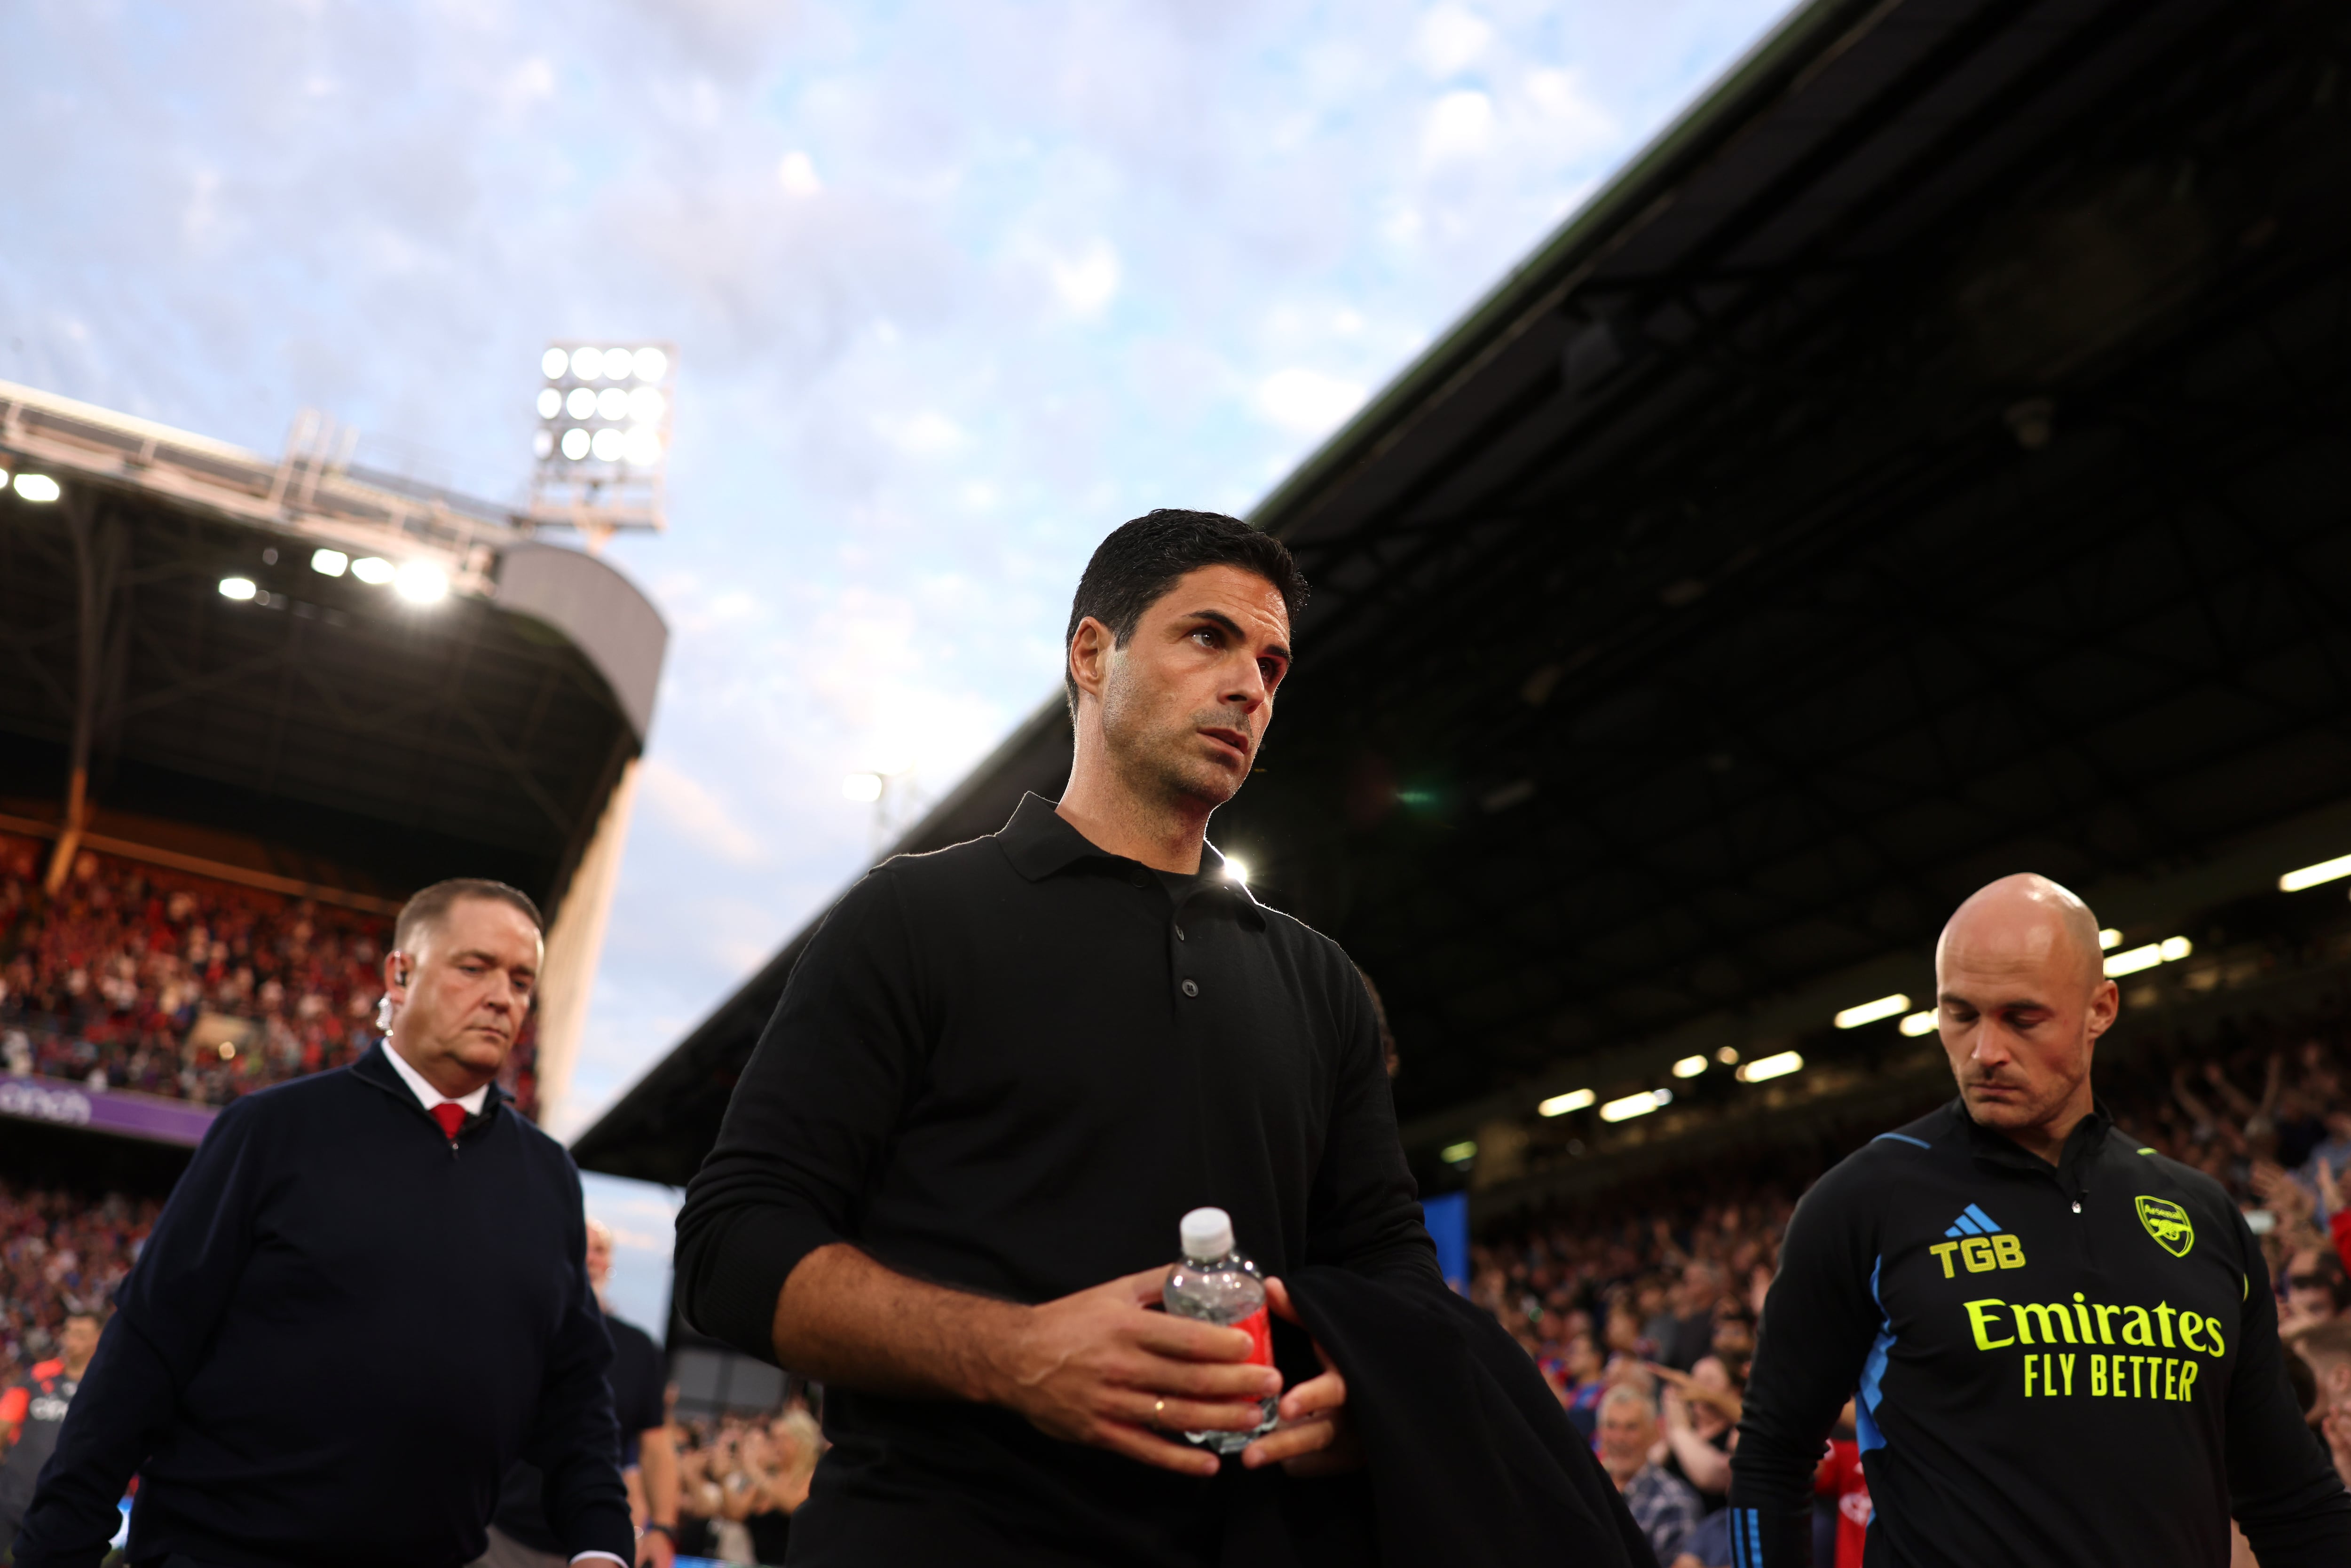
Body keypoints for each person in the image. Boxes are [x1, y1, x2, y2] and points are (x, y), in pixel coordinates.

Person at [671, 512, 1454, 1563]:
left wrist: (1369, 1400)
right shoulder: (914, 916)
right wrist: (1015, 1351)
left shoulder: (1319, 981)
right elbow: (731, 1242)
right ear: (1092, 652)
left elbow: (1391, 1268)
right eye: (1207, 637)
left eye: (1271, 663)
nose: (1249, 686)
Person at [1728, 873, 2351, 1566]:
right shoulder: (1864, 1201)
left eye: (2022, 1018)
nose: (1984, 1050)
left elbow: (2291, 1498)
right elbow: (1772, 1455)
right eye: (1959, 1014)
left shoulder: (2202, 1215)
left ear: (2101, 1008)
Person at [10, 879, 632, 1568]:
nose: (501, 995)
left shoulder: (546, 1178)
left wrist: (602, 1542)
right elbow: (147, 1346)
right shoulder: (273, 1130)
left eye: (522, 979)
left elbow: (577, 1393)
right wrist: (55, 1548)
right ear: (400, 973)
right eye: (474, 966)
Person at [482, 1219, 678, 1568]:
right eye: (581, 1245)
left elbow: (657, 1446)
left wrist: (663, 1526)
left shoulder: (639, 1349)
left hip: (591, 1542)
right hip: (500, 1534)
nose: (590, 1257)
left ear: (611, 1263)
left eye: (600, 1249)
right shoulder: (525, 1331)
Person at [0, 1312, 100, 1547]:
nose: (71, 1340)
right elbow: (4, 1424)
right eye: (68, 1332)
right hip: (13, 1499)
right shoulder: (36, 1376)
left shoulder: (104, 1386)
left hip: (69, 1507)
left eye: (81, 1335)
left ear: (100, 1338)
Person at [1597, 1385, 1701, 1561]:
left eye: (1631, 1428)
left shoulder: (1674, 1502)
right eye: (1611, 1426)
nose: (1619, 1438)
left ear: (1654, 1434)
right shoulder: (1590, 1487)